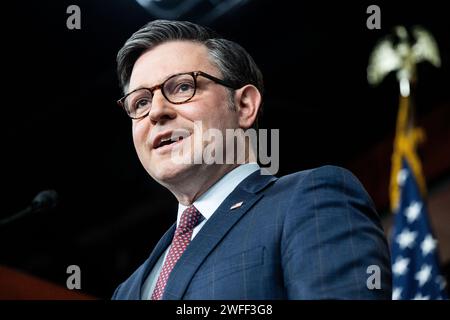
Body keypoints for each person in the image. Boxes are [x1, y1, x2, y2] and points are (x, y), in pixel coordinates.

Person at [112, 19, 392, 300]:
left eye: (183, 87)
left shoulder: (311, 198)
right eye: (140, 102)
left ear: (245, 106)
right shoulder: (126, 291)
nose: (156, 112)